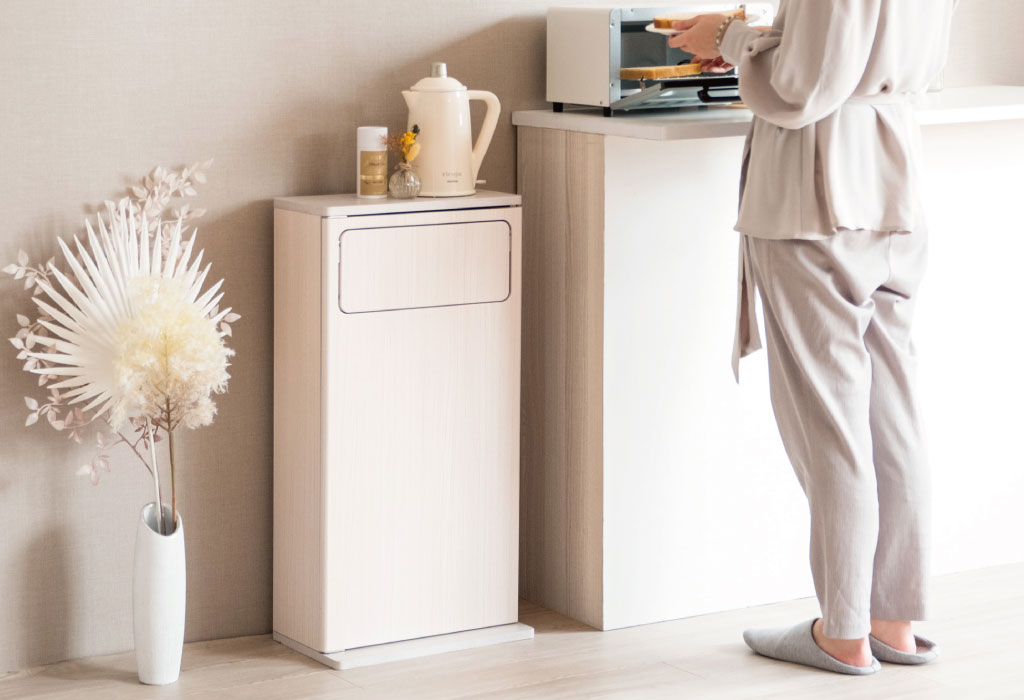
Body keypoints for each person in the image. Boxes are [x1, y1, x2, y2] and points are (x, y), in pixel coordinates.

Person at [669, 0, 958, 676]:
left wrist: (730, 37)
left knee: (832, 423)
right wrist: (761, 39)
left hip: (818, 191)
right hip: (894, 183)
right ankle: (892, 621)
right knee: (892, 414)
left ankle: (844, 632)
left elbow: (803, 87)